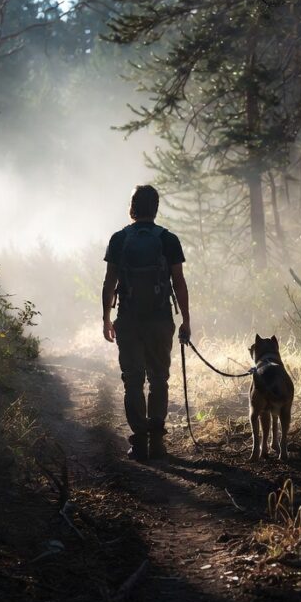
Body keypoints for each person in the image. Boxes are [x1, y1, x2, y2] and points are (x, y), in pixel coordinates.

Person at [102, 185, 191, 461]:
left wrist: (106, 317)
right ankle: (157, 443)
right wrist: (186, 320)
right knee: (159, 379)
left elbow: (109, 282)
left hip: (128, 321)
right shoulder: (168, 240)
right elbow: (179, 283)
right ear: (155, 208)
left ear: (132, 208)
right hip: (160, 320)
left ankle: (139, 443)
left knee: (133, 381)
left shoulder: (119, 239)